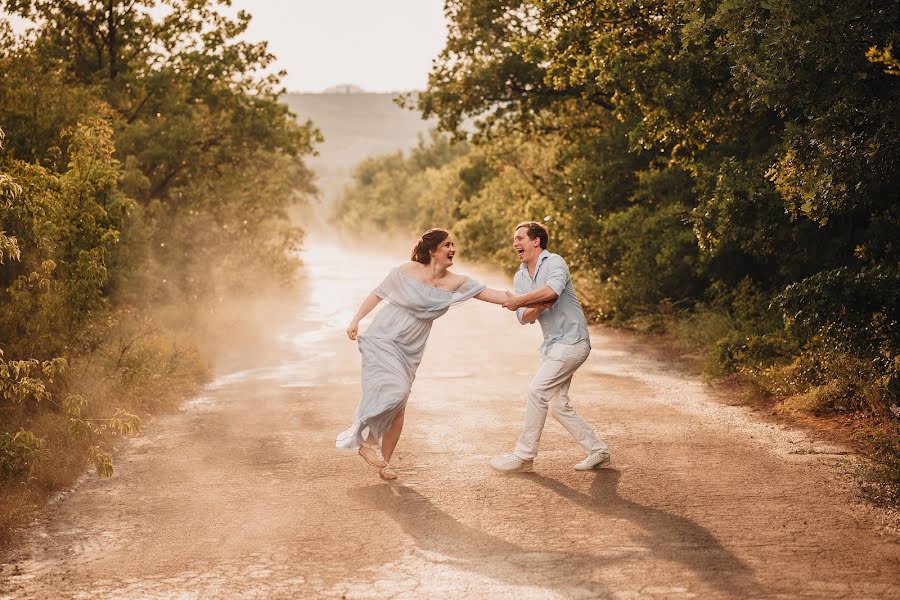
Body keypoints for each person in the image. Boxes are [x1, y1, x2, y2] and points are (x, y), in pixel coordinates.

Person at [336, 228, 512, 480]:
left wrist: (523, 300)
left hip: (410, 349)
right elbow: (378, 293)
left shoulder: (457, 281)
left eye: (453, 244)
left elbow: (492, 294)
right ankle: (368, 442)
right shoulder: (407, 271)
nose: (452, 249)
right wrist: (356, 320)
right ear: (432, 251)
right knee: (395, 392)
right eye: (446, 245)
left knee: (399, 407)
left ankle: (383, 462)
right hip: (384, 337)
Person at [490, 221, 610, 473]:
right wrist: (534, 305)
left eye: (520, 238)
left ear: (536, 241)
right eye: (515, 240)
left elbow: (552, 291)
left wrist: (522, 301)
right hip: (552, 346)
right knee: (557, 404)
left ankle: (524, 456)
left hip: (573, 341)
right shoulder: (520, 275)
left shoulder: (555, 262)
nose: (515, 244)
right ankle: (598, 450)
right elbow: (523, 317)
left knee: (536, 390)